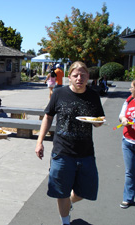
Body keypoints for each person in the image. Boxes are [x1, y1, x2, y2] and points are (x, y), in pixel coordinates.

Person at [35, 61, 105, 225]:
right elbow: (48, 117)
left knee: (86, 190)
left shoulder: (93, 95)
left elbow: (99, 119)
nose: (79, 78)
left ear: (88, 76)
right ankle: (65, 222)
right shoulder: (59, 93)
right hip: (62, 153)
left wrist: (97, 122)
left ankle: (70, 203)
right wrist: (40, 142)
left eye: (83, 75)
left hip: (86, 153)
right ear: (69, 77)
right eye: (75, 75)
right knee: (61, 193)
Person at [118, 80, 135, 209]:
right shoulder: (129, 100)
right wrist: (123, 119)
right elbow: (121, 115)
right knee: (129, 172)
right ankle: (128, 198)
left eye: (132, 87)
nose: (130, 89)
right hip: (127, 141)